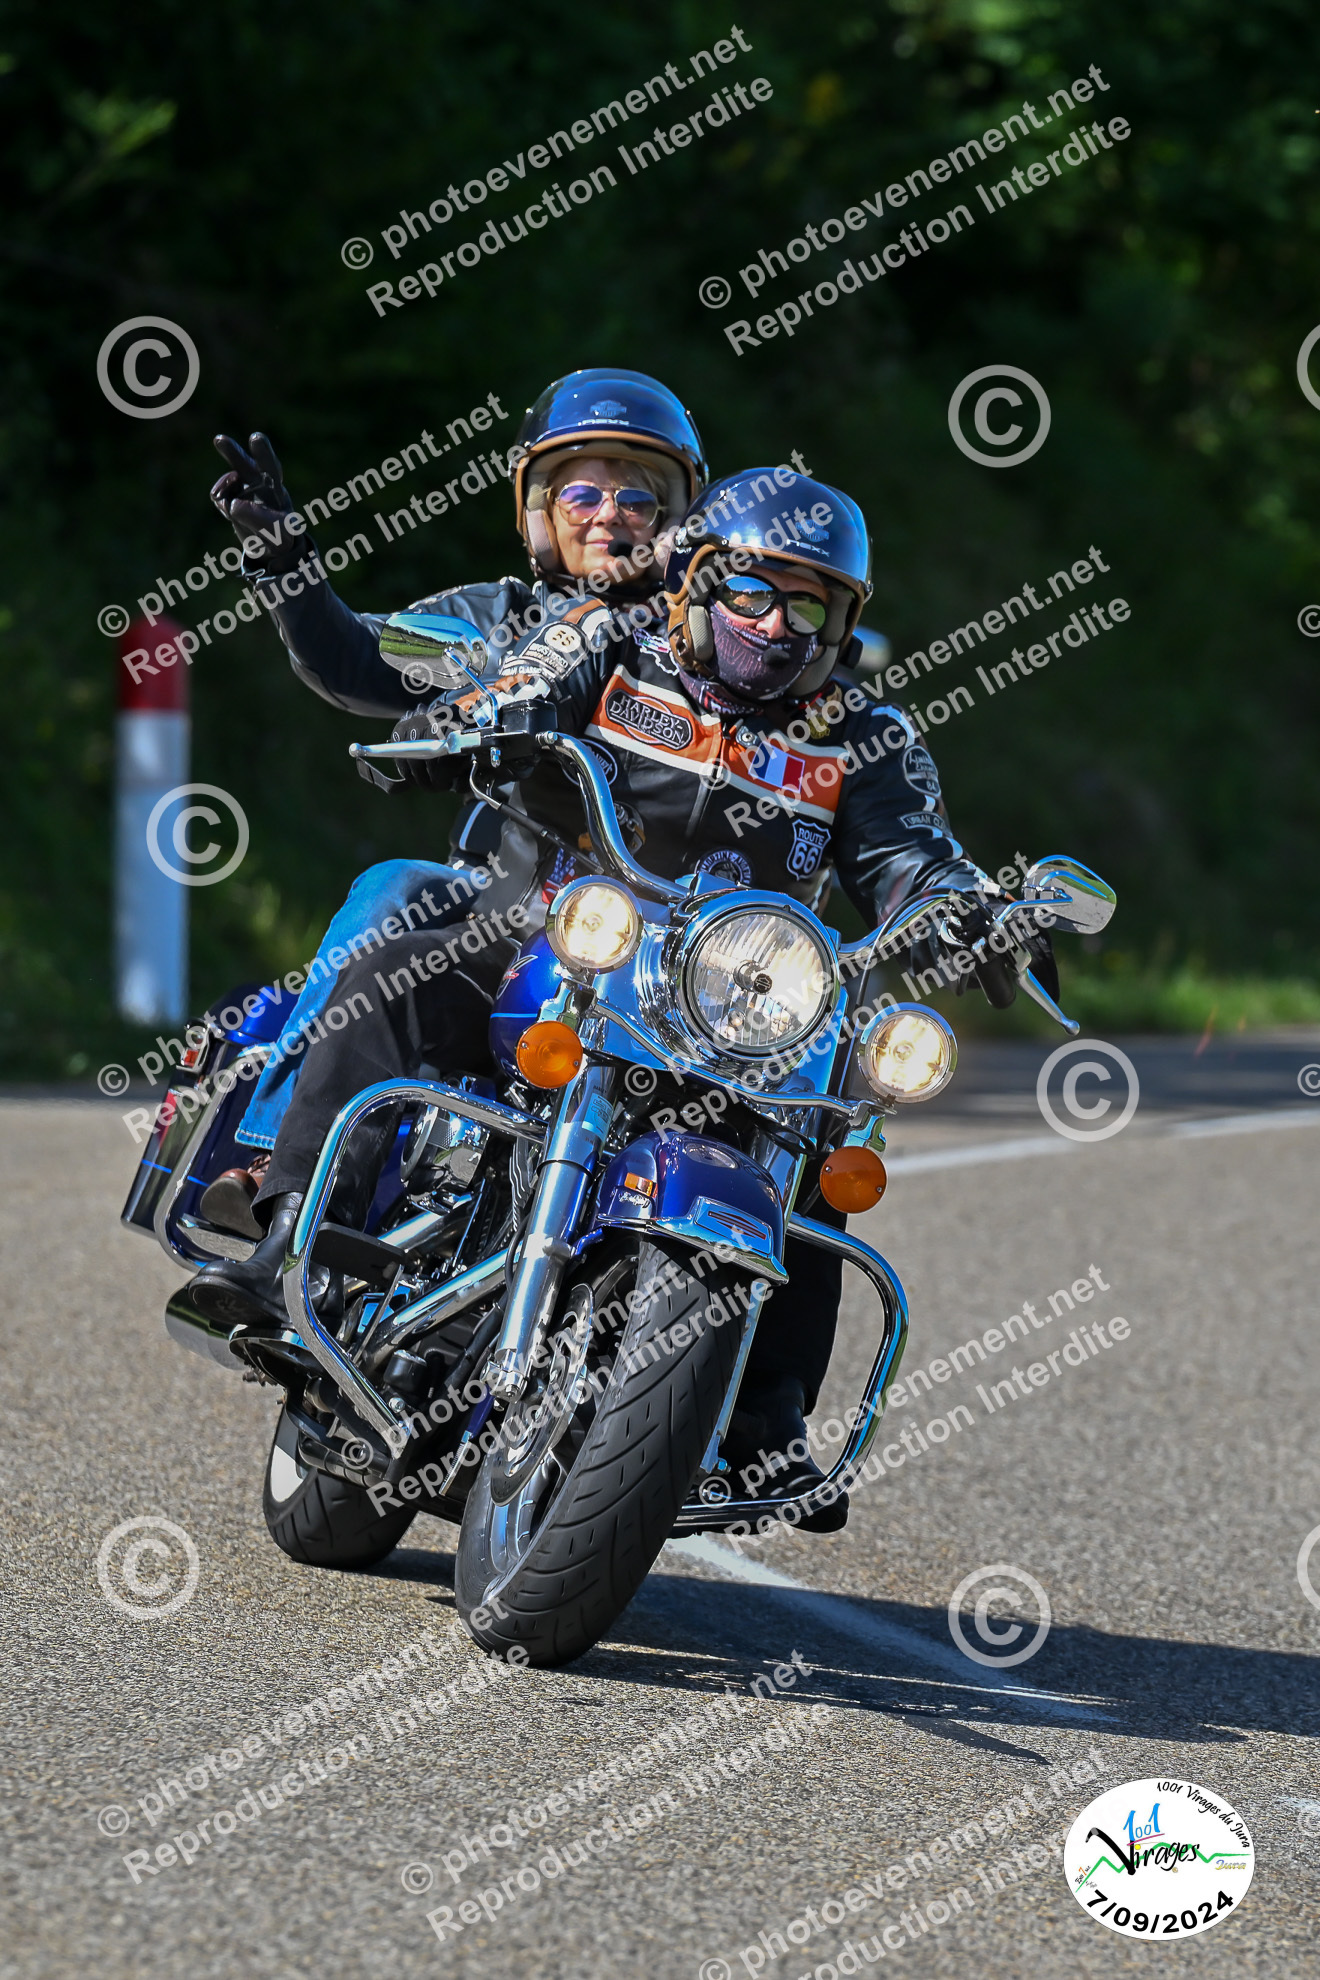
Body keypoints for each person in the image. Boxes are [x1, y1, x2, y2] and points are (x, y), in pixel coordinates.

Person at [194, 465, 1033, 1529]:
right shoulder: (608, 641)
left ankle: (766, 1418)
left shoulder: (864, 736)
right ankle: (292, 1251)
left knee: (823, 1127)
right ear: (699, 580)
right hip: (562, 944)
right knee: (392, 978)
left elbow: (912, 852)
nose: (777, 624)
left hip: (738, 1006)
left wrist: (974, 910)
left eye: (808, 604)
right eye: (753, 592)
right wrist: (484, 719)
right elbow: (525, 682)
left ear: (842, 621)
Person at [201, 369, 706, 1228]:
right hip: (510, 905)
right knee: (396, 886)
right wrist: (286, 566)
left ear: (673, 521)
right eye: (581, 492)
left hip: (670, 949)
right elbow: (356, 660)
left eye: (637, 497)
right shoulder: (497, 619)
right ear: (540, 511)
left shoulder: (709, 648)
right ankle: (276, 1154)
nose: (608, 514)